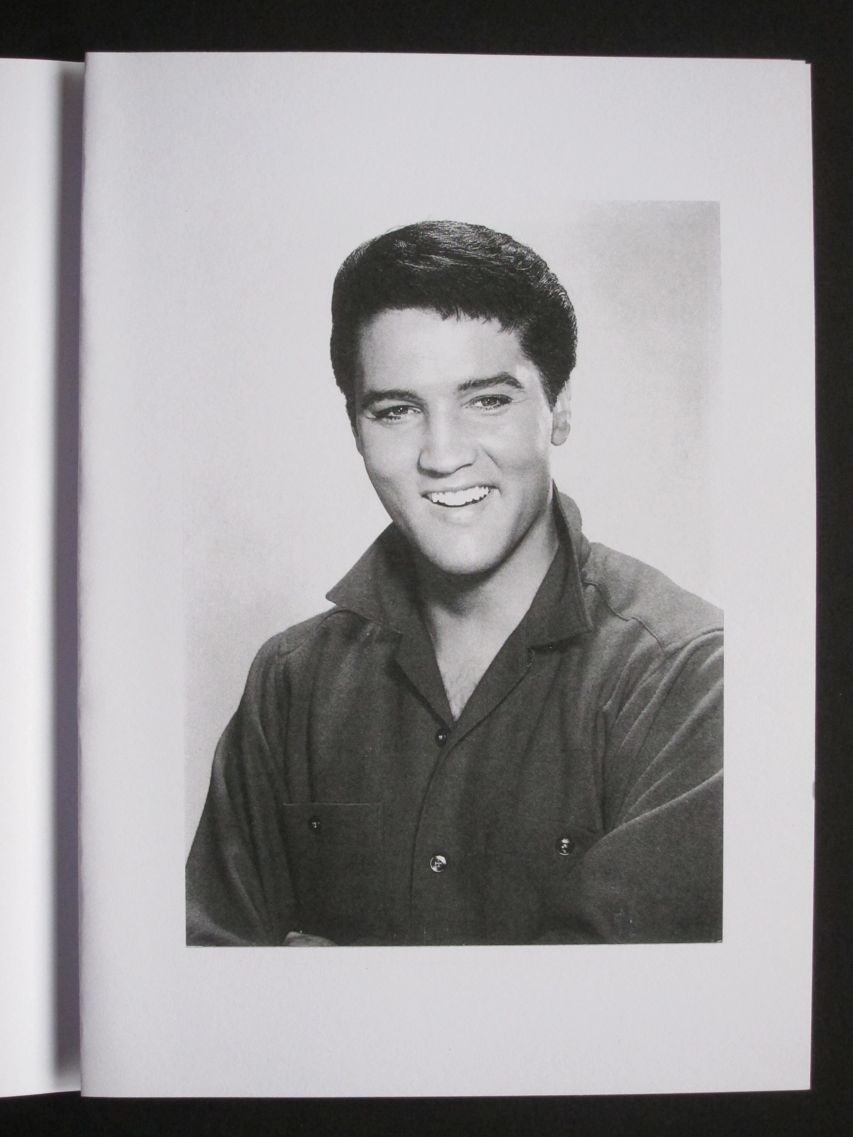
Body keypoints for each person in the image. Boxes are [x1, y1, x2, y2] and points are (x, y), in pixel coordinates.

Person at [186, 220, 723, 947]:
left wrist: (329, 987)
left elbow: (631, 1009)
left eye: (487, 400)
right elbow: (208, 983)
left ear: (559, 408)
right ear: (355, 428)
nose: (442, 455)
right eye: (397, 410)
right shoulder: (291, 680)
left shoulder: (689, 677)